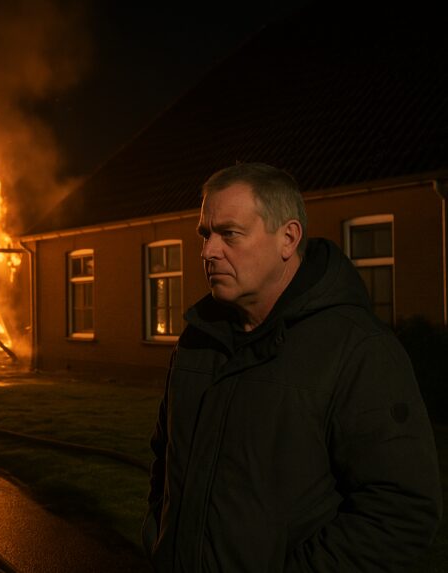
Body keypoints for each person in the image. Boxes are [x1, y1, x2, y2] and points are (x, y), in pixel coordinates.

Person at [143, 162, 442, 571]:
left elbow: (400, 510)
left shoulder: (358, 350)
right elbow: (165, 457)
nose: (208, 251)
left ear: (287, 238)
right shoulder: (197, 341)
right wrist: (158, 540)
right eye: (206, 234)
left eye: (229, 233)